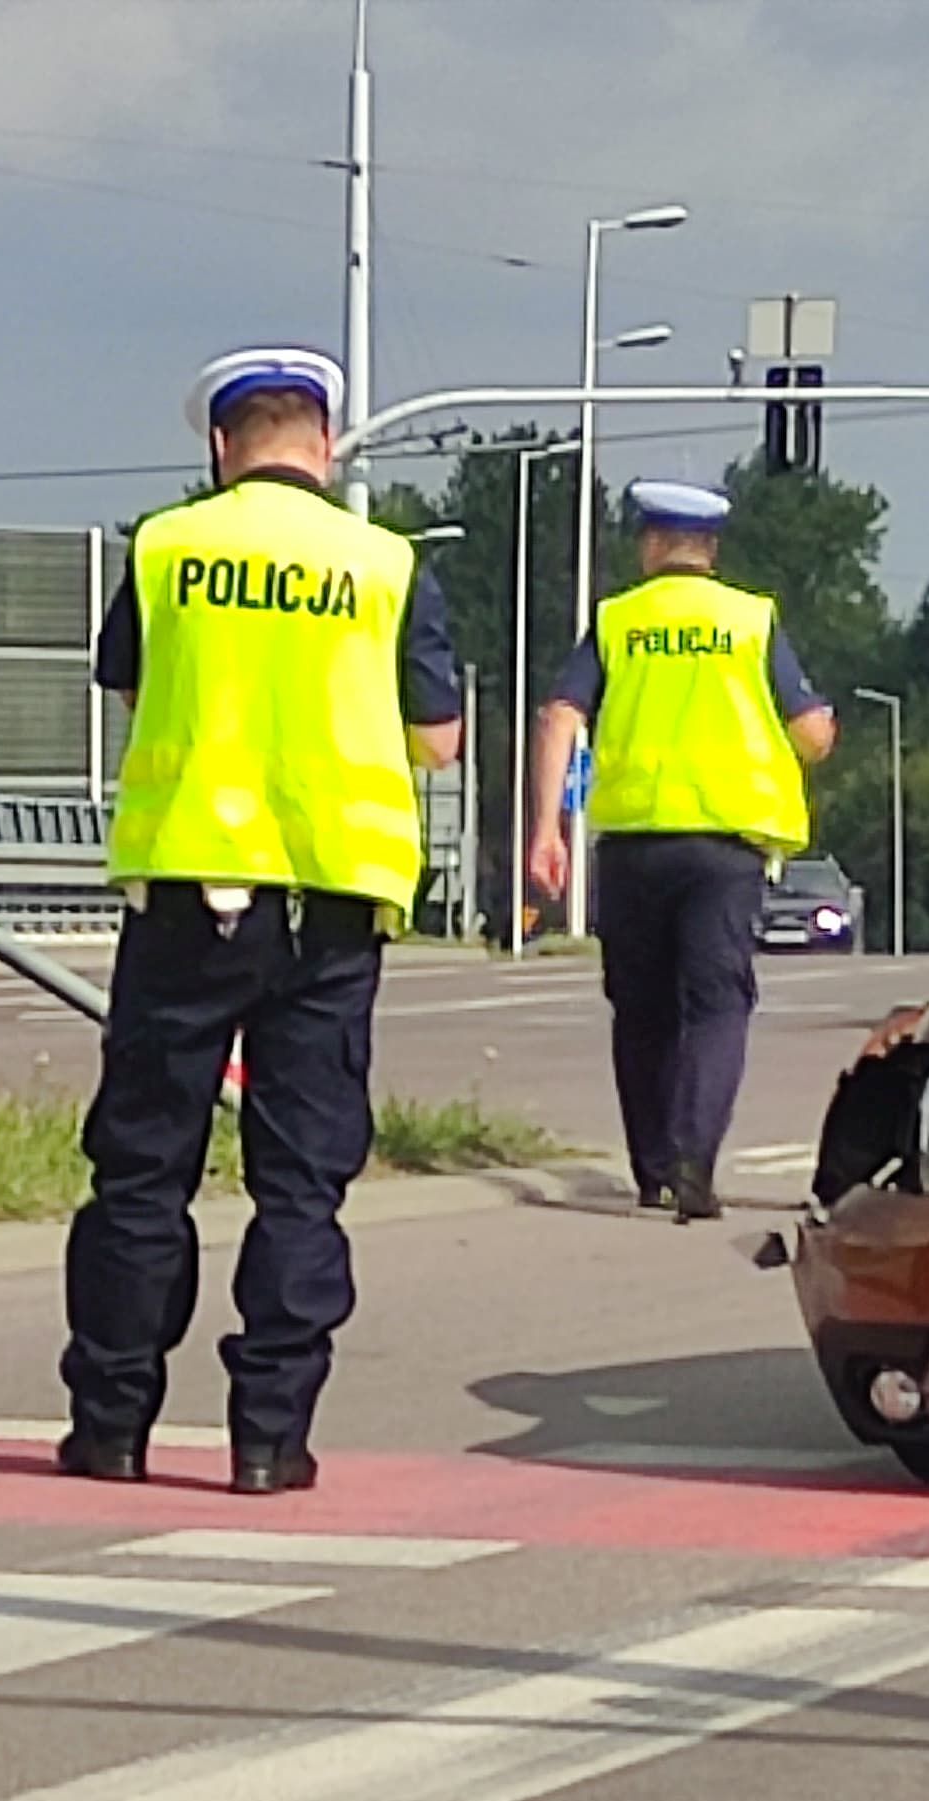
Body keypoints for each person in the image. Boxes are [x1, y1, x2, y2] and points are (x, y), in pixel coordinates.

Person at [59, 346, 464, 1495]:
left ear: (218, 449)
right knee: (299, 1183)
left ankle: (112, 1425)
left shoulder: (166, 547)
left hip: (189, 895)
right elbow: (436, 740)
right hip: (330, 905)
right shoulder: (386, 566)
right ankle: (268, 1440)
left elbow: (137, 692)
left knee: (142, 1172)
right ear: (324, 446)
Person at [528, 479, 836, 1222]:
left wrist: (546, 828)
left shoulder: (617, 621)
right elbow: (812, 733)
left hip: (634, 846)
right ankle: (696, 1158)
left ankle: (652, 1168)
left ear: (651, 544)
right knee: (715, 1003)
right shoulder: (751, 620)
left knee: (639, 1009)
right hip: (723, 848)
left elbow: (559, 716)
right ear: (711, 549)